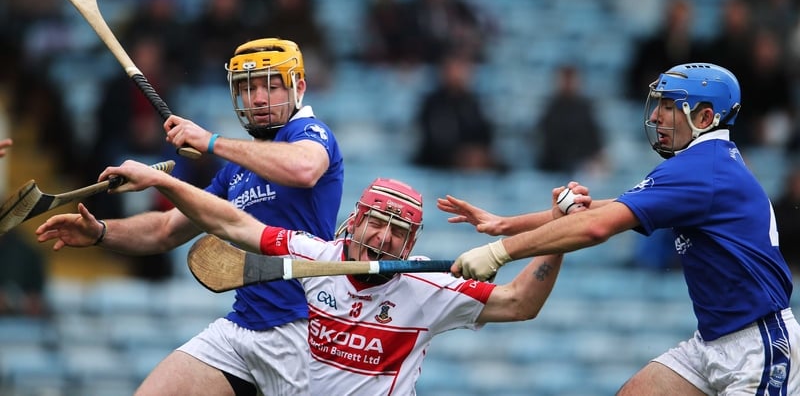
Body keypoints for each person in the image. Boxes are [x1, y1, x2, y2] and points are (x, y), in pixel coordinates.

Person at [61, 160, 577, 394]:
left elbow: (519, 302)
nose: (382, 238)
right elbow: (233, 223)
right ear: (354, 220)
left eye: (397, 232)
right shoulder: (315, 256)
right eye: (376, 221)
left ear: (412, 245)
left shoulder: (429, 287)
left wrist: (559, 235)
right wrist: (159, 181)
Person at [450, 63, 800, 395]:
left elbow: (596, 228)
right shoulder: (706, 163)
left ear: (704, 117)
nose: (654, 116)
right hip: (712, 341)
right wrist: (503, 224)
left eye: (668, 106)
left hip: (757, 347)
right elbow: (602, 209)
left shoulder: (699, 168)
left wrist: (500, 253)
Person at [35, 38, 344, 396]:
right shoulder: (235, 173)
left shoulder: (310, 134)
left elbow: (304, 168)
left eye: (271, 86)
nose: (258, 98)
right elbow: (167, 230)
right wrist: (102, 232)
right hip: (242, 327)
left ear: (298, 88)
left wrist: (211, 141)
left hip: (302, 329)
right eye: (247, 88)